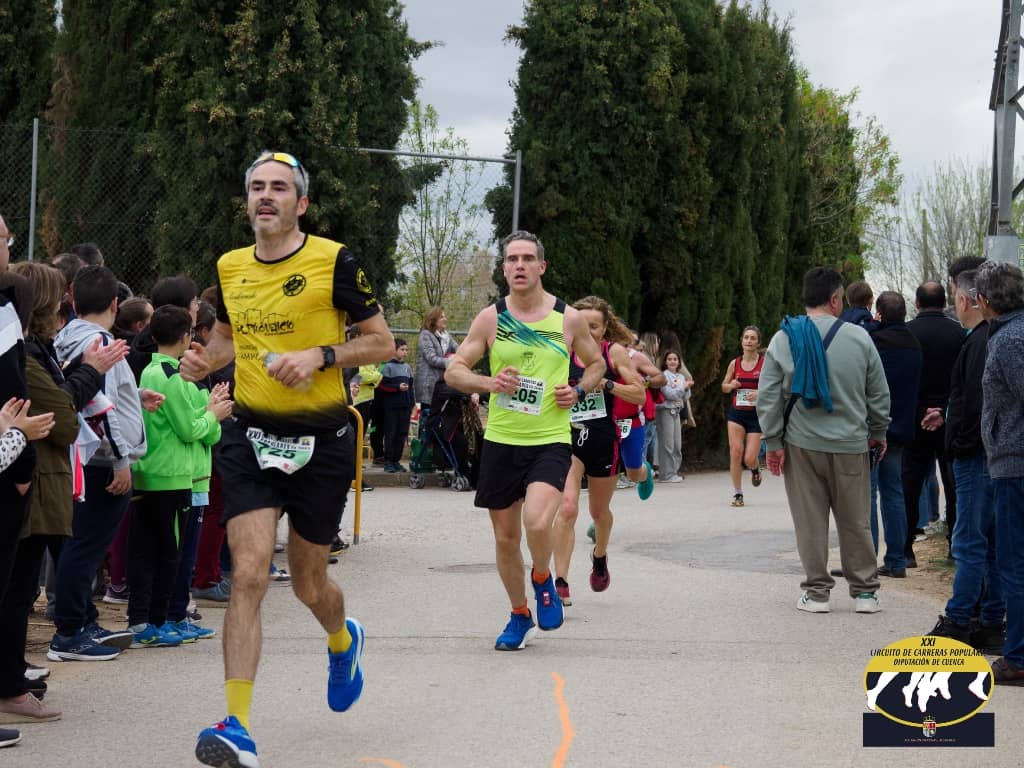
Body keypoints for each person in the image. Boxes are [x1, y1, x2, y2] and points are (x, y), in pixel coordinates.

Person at [178, 150, 392, 767]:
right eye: (256, 187)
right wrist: (204, 360)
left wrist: (321, 357)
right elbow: (228, 340)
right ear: (247, 200)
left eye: (278, 187)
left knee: (307, 583)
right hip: (250, 437)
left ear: (301, 202)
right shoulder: (230, 266)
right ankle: (236, 725)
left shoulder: (335, 260)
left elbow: (380, 341)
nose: (265, 196)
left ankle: (342, 639)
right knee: (248, 573)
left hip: (322, 442)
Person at [444, 230, 604, 651]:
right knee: (505, 539)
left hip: (550, 439)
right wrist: (489, 382)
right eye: (512, 259)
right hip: (501, 440)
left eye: (527, 258)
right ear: (503, 269)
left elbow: (597, 364)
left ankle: (542, 577)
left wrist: (579, 389)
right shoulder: (491, 319)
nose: (519, 265)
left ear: (541, 267)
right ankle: (519, 614)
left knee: (536, 521)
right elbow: (454, 371)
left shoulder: (568, 318)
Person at [756, 267, 890, 614]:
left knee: (810, 521)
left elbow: (768, 396)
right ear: (834, 299)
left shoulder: (784, 338)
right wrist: (878, 432)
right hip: (851, 444)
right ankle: (865, 593)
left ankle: (817, 594)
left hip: (802, 445)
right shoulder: (860, 338)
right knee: (856, 520)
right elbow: (878, 393)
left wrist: (773, 441)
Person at [49, 265, 147, 661]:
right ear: (115, 303)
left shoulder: (66, 336)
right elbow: (98, 407)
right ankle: (70, 631)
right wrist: (121, 460)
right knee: (85, 547)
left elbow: (103, 393)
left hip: (82, 456)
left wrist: (137, 396)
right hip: (102, 460)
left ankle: (82, 620)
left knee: (78, 545)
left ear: (72, 300)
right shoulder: (101, 343)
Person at [127, 305, 230, 648]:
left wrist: (209, 414)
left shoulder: (160, 371)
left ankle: (151, 620)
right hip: (169, 476)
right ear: (186, 337)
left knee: (157, 552)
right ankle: (155, 620)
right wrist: (213, 415)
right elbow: (191, 429)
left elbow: (206, 431)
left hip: (166, 474)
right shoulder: (169, 376)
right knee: (165, 554)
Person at [926, 267, 1004, 651]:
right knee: (988, 542)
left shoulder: (979, 342)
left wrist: (958, 441)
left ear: (965, 299)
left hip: (974, 456)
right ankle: (989, 620)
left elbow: (976, 401)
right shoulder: (988, 339)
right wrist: (947, 415)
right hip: (987, 453)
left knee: (969, 541)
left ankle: (958, 619)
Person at [552, 296, 644, 606]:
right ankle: (561, 581)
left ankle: (600, 554)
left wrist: (606, 384)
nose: (587, 332)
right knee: (567, 508)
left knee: (598, 513)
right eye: (582, 325)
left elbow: (639, 394)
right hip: (568, 438)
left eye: (594, 326)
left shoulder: (612, 352)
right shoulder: (562, 352)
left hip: (603, 441)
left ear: (604, 329)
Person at [974, 261, 1024, 684]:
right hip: (1012, 459)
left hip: (1016, 463)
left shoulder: (1010, 339)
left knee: (1015, 563)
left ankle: (1019, 657)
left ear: (984, 300)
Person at [902, 281, 964, 566]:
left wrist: (921, 410)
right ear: (944, 302)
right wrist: (943, 409)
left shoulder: (907, 332)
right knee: (953, 485)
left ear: (917, 303)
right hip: (951, 418)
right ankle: (955, 545)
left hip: (915, 419)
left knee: (910, 484)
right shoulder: (959, 333)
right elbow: (963, 378)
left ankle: (905, 549)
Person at [867, 291, 921, 578]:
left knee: (868, 493)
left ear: (879, 314)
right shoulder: (914, 343)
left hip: (875, 427)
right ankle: (897, 560)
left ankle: (867, 558)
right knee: (894, 492)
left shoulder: (875, 341)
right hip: (902, 426)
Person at [721, 326, 765, 506]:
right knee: (735, 452)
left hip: (756, 416)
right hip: (737, 414)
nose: (749, 341)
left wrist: (759, 394)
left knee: (749, 458)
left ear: (758, 343)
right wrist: (731, 385)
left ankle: (755, 468)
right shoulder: (735, 363)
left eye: (753, 338)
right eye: (746, 337)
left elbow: (774, 387)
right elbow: (724, 386)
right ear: (741, 341)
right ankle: (738, 494)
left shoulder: (765, 364)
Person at [377, 337, 414, 473]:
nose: (405, 352)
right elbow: (382, 386)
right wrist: (397, 388)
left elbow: (411, 388)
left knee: (402, 434)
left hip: (405, 407)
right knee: (391, 433)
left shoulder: (407, 368)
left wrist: (412, 404)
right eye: (402, 349)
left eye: (406, 350)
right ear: (394, 350)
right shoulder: (387, 367)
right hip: (391, 408)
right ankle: (388, 461)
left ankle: (396, 461)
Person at [655, 349, 690, 484]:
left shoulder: (681, 377)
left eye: (675, 359)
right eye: (669, 359)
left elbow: (686, 396)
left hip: (677, 411)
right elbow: (669, 394)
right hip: (665, 411)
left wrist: (686, 388)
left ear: (679, 362)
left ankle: (673, 472)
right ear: (665, 362)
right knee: (667, 444)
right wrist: (682, 388)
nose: (672, 361)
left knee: (676, 445)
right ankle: (666, 474)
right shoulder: (663, 376)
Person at [414, 306, 458, 410]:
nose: (445, 319)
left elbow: (458, 349)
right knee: (426, 415)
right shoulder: (426, 335)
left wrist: (467, 354)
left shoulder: (447, 336)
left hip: (441, 382)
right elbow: (431, 358)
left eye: (445, 316)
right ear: (433, 320)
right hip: (428, 384)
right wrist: (450, 361)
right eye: (441, 317)